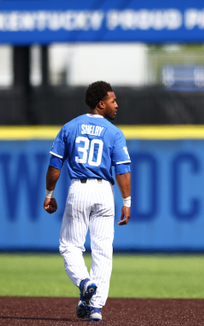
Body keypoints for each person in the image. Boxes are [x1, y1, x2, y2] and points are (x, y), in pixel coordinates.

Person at [43, 81, 131, 322]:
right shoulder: (114, 133)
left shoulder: (70, 127)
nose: (116, 104)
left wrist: (50, 195)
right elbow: (122, 171)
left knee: (70, 246)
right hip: (105, 192)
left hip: (79, 190)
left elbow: (54, 167)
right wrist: (127, 201)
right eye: (113, 101)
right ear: (101, 104)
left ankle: (85, 283)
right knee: (103, 252)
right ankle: (95, 308)